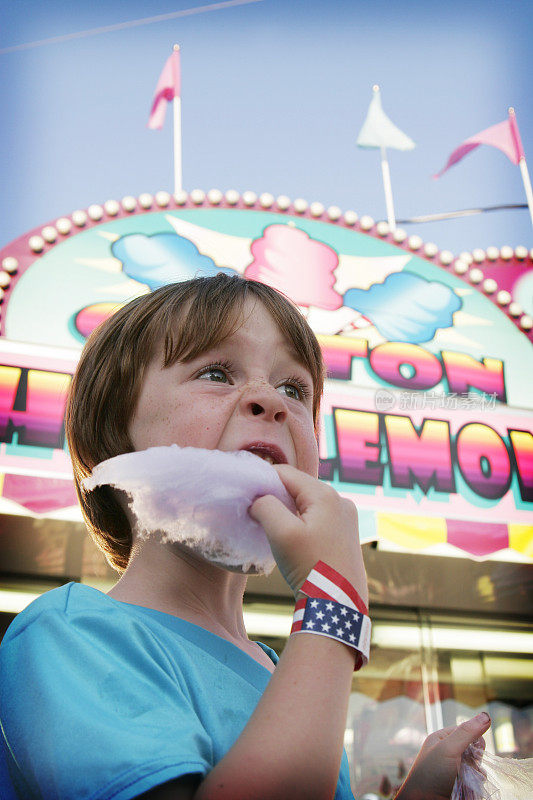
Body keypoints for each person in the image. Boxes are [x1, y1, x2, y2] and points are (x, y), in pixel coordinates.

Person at [0, 275, 491, 799]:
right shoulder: (71, 635)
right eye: (215, 373)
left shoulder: (290, 669)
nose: (270, 402)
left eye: (293, 389)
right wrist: (335, 603)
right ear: (113, 433)